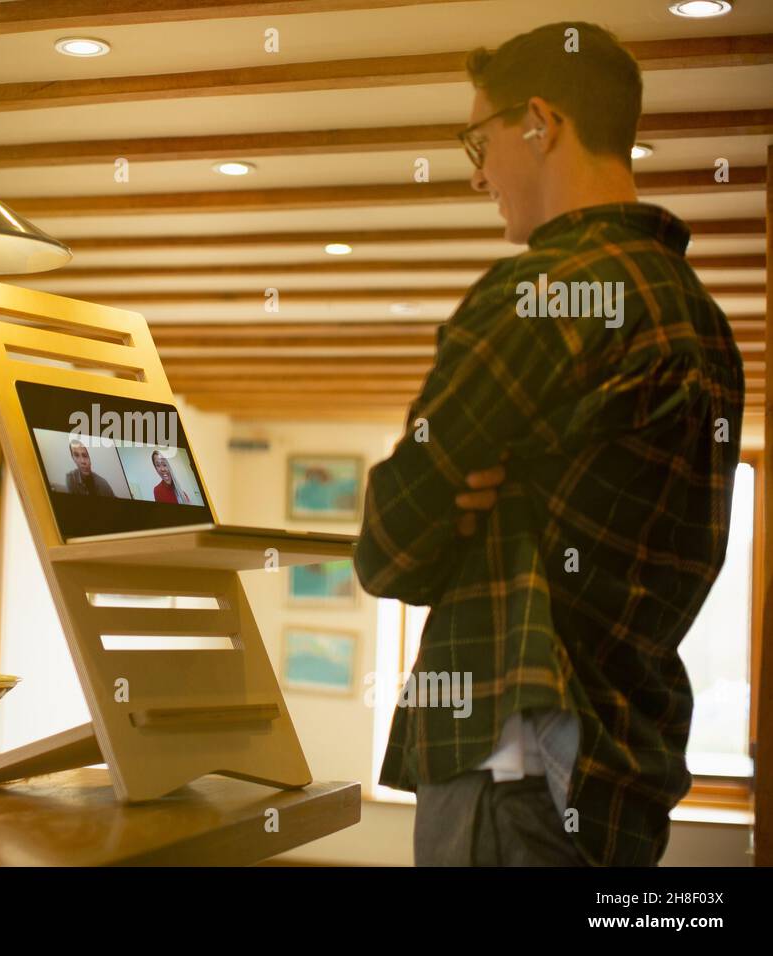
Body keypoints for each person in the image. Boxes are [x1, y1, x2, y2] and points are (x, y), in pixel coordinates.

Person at [354, 21, 744, 867]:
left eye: (479, 140)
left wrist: (453, 509)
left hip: (516, 759)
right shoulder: (704, 323)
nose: (477, 173)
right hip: (623, 765)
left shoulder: (543, 295)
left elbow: (388, 548)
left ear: (538, 122)